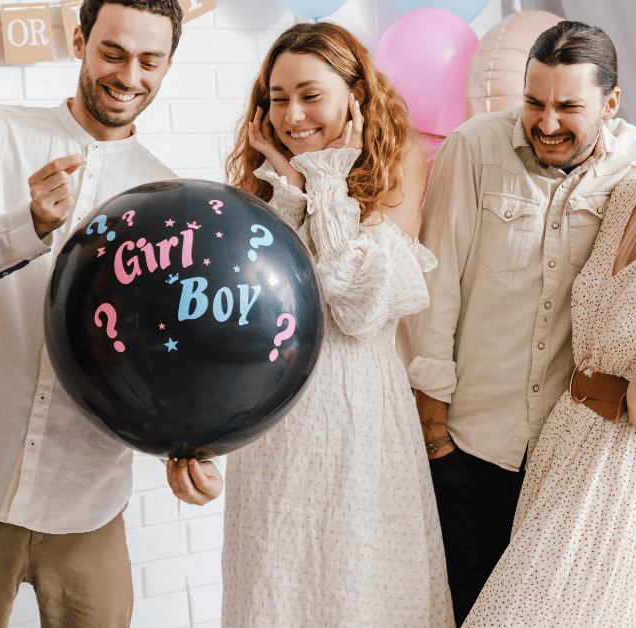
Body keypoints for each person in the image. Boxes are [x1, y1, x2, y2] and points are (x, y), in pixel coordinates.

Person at [400, 22, 636, 624]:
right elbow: (434, 290)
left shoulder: (635, 168)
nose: (546, 123)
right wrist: (435, 433)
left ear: (610, 104)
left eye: (568, 106)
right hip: (484, 444)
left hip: (600, 458)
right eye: (533, 102)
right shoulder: (488, 151)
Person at [0, 1, 220, 626]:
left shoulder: (171, 200)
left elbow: (161, 352)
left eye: (150, 61)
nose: (129, 75)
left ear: (169, 65)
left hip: (88, 501)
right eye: (113, 52)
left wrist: (185, 444)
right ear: (79, 40)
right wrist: (30, 226)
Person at [220, 22, 453, 627]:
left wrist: (325, 179)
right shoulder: (270, 179)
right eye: (276, 97)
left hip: (357, 415)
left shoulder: (396, 166)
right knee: (276, 586)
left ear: (354, 96)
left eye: (309, 94)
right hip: (271, 427)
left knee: (357, 587)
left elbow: (355, 304)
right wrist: (293, 190)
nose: (290, 114)